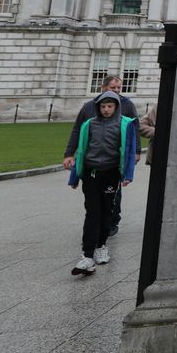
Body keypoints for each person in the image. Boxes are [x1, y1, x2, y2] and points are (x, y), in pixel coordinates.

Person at [63, 91, 138, 276]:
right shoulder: (89, 124)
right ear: (98, 107)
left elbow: (129, 150)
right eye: (103, 106)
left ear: (116, 107)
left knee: (107, 211)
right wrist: (74, 177)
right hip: (91, 173)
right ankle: (87, 255)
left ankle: (101, 245)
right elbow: (82, 150)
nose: (106, 110)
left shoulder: (125, 125)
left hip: (111, 173)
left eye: (110, 106)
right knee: (92, 212)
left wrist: (128, 175)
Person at [68, 76, 138, 236]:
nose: (117, 91)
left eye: (119, 88)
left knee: (113, 196)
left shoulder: (127, 105)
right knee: (92, 202)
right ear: (103, 87)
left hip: (113, 164)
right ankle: (93, 230)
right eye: (113, 88)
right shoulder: (88, 108)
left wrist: (135, 153)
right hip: (92, 164)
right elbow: (78, 132)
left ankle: (112, 222)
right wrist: (69, 154)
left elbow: (134, 133)